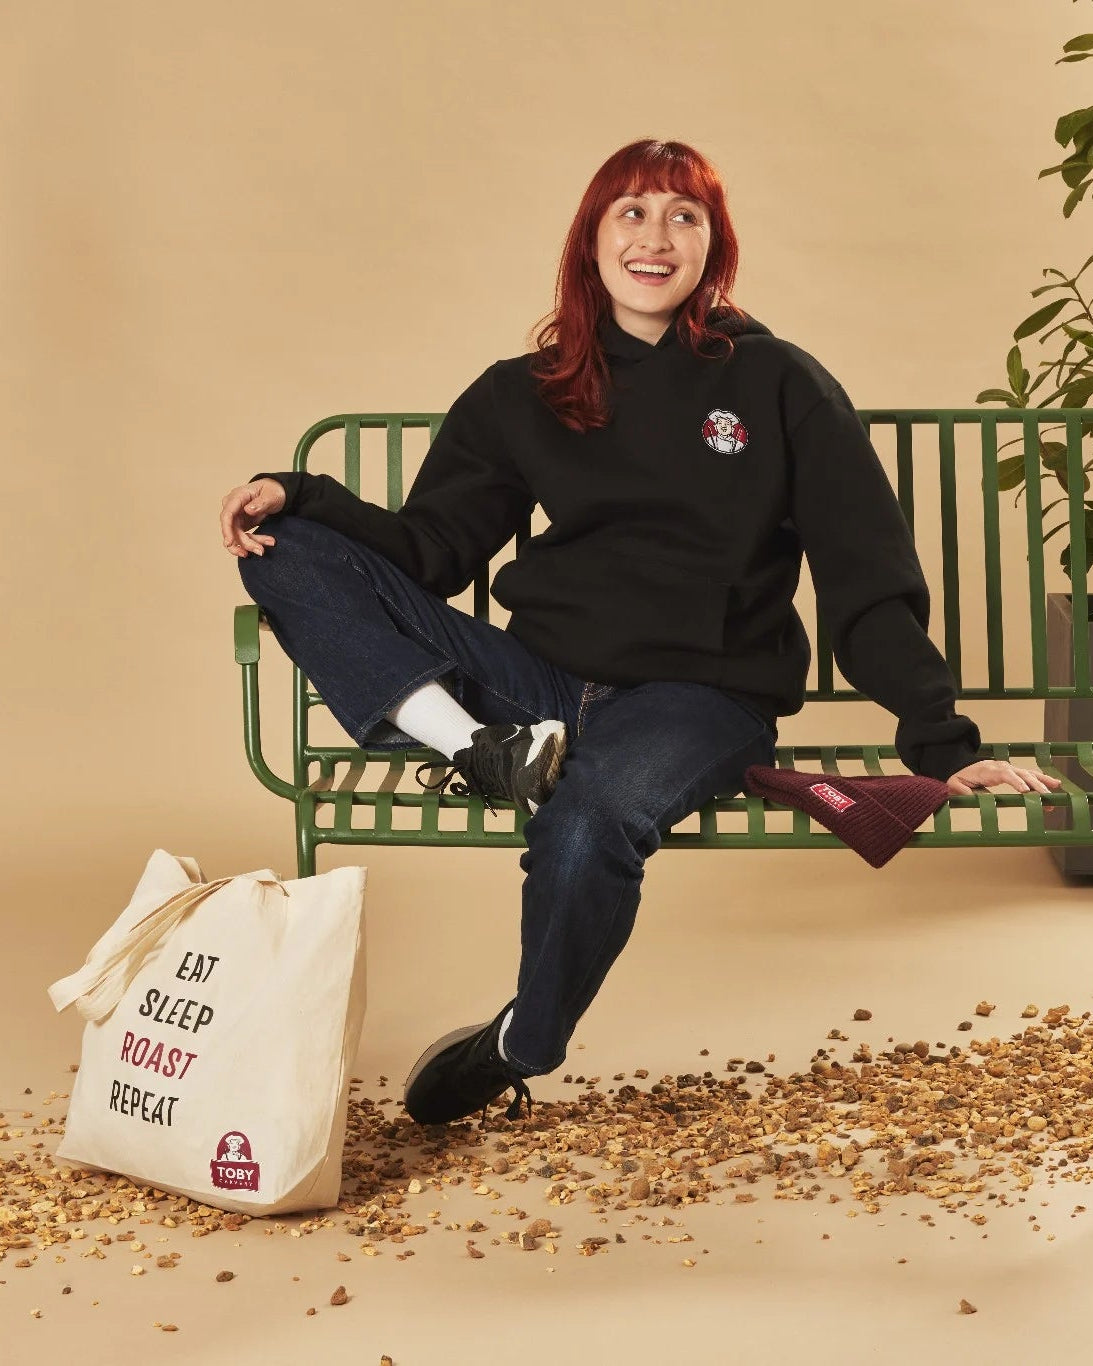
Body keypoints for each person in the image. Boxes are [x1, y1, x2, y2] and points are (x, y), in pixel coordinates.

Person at [220, 138, 1062, 1128]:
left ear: (715, 245)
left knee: (586, 818)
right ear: (589, 238)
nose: (655, 237)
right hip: (535, 684)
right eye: (630, 212)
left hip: (698, 700)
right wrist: (306, 496)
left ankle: (521, 1040)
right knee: (282, 548)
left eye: (683, 215)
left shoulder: (777, 383)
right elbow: (430, 550)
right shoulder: (521, 393)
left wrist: (941, 745)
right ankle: (480, 751)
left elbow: (863, 580)